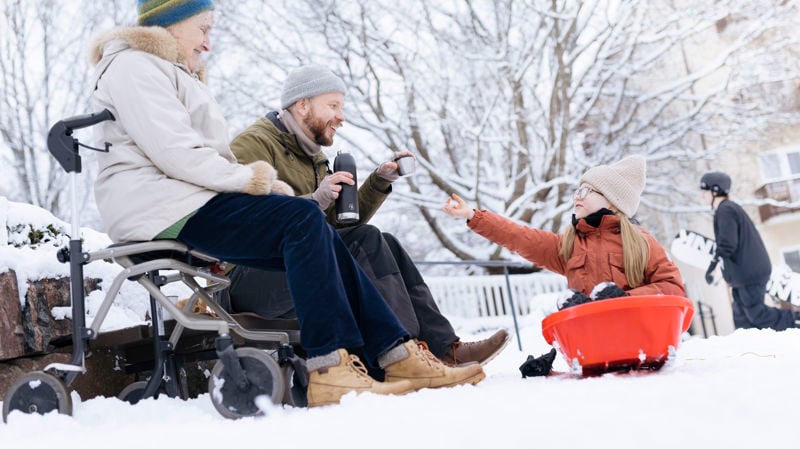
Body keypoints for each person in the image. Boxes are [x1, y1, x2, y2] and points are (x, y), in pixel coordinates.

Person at [88, 0, 484, 408]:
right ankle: (332, 365)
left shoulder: (166, 70)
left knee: (315, 225)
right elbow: (178, 153)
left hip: (181, 201)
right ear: (172, 20)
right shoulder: (135, 67)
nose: (208, 43)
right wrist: (259, 182)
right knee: (301, 218)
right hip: (160, 208)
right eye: (203, 29)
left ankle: (395, 353)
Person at [228, 65, 509, 366]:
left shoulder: (314, 157)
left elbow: (338, 228)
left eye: (342, 107)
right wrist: (314, 200)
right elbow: (243, 221)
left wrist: (379, 180)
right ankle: (403, 353)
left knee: (387, 243)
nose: (341, 117)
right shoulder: (254, 144)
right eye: (333, 106)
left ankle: (442, 348)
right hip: (250, 277)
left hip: (299, 262)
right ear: (302, 104)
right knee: (367, 239)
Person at [442, 155, 685, 301]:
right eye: (577, 190)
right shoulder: (569, 245)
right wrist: (473, 216)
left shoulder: (640, 242)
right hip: (594, 342)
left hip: (634, 339)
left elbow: (672, 288)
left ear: (612, 200)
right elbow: (520, 237)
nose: (578, 196)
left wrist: (625, 299)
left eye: (587, 190)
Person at [700, 171, 800, 330]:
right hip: (742, 275)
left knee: (757, 314)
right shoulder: (727, 210)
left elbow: (727, 244)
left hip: (750, 273)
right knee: (742, 319)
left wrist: (712, 266)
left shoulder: (726, 210)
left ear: (715, 190)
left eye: (704, 191)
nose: (702, 196)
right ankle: (749, 349)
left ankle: (796, 320)